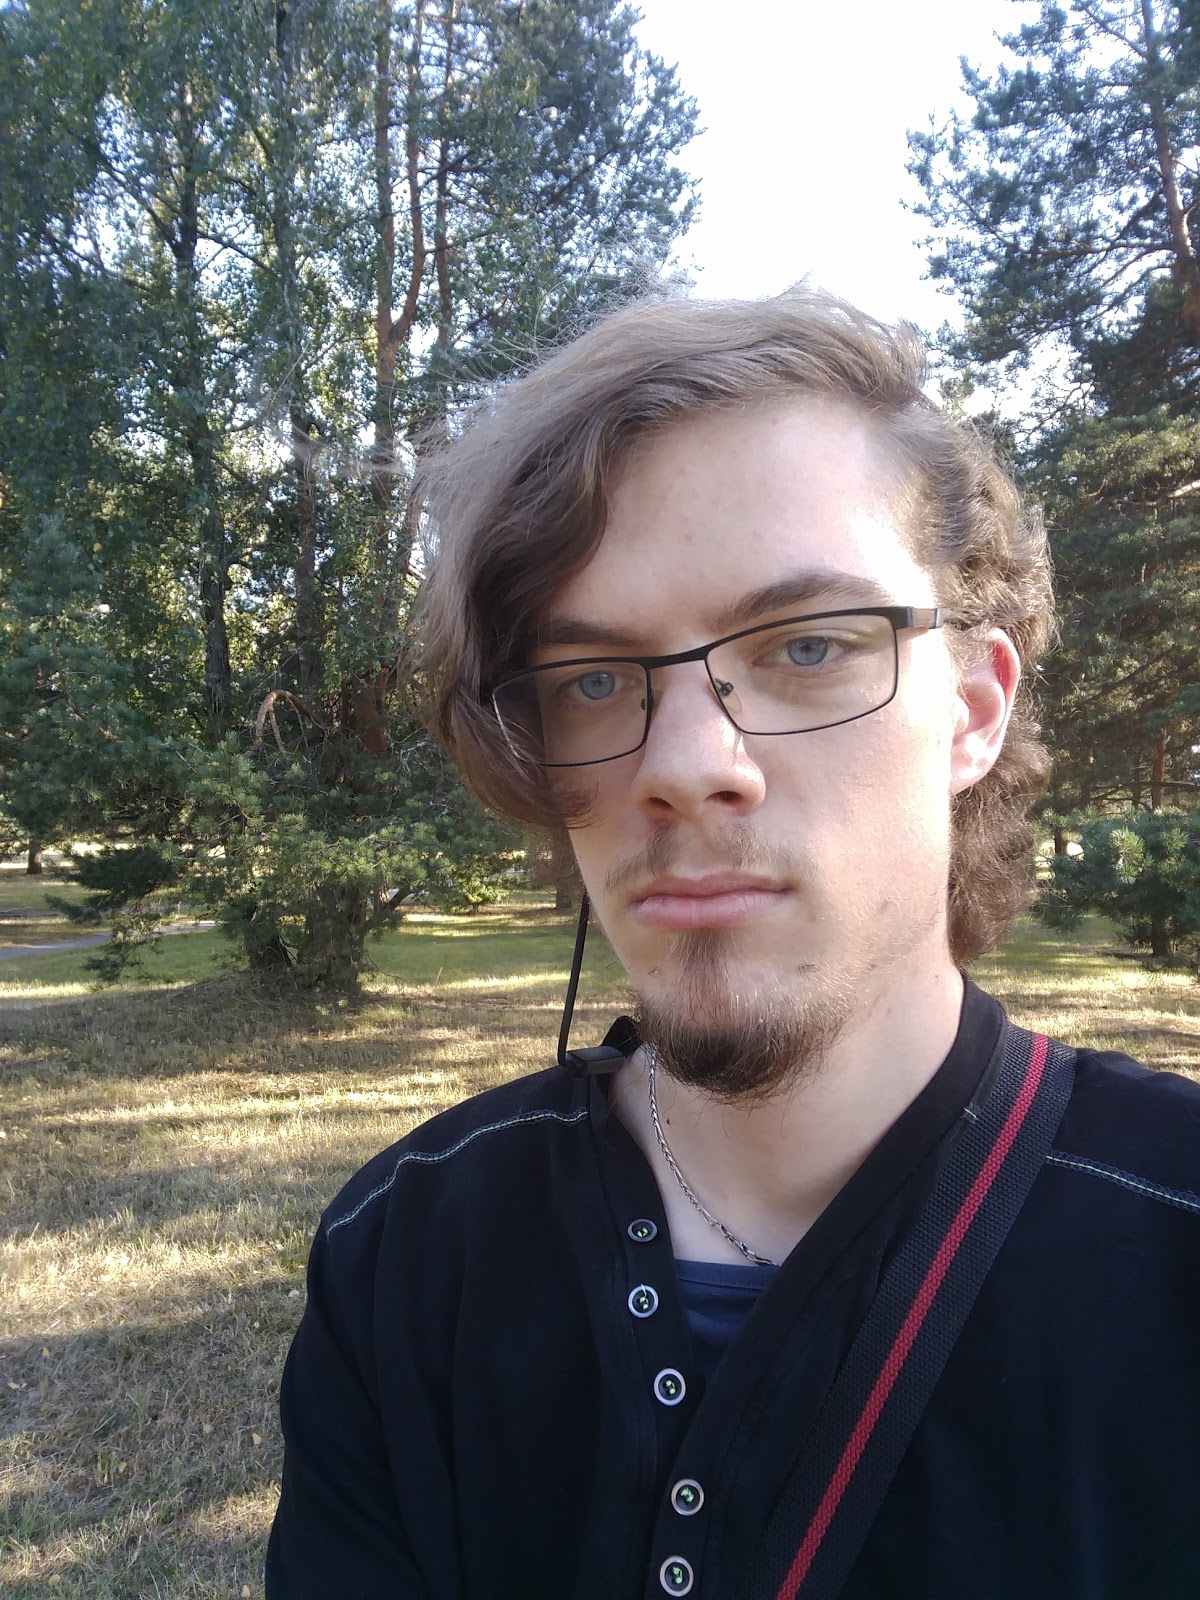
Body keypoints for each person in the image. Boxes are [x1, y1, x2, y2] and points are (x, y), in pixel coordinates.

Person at [265, 290, 1200, 1600]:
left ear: (973, 707)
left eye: (808, 646)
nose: (685, 765)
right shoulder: (409, 1257)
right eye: (596, 680)